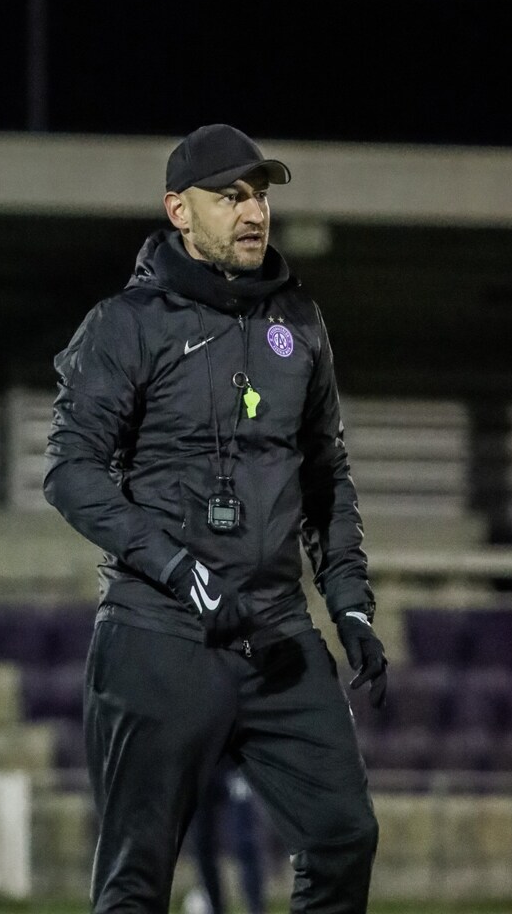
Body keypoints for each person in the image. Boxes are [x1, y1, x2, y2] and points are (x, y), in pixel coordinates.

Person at [44, 123, 387, 914]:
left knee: (344, 836)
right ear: (178, 210)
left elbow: (326, 474)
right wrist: (177, 568)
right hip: (159, 636)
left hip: (276, 632)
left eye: (260, 193)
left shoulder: (299, 322)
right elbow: (71, 474)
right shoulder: (125, 325)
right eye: (229, 196)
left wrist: (351, 603)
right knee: (137, 879)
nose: (253, 211)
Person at [186, 761, 266, 914]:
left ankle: (256, 908)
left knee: (245, 841)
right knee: (202, 844)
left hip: (234, 764)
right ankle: (214, 906)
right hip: (202, 765)